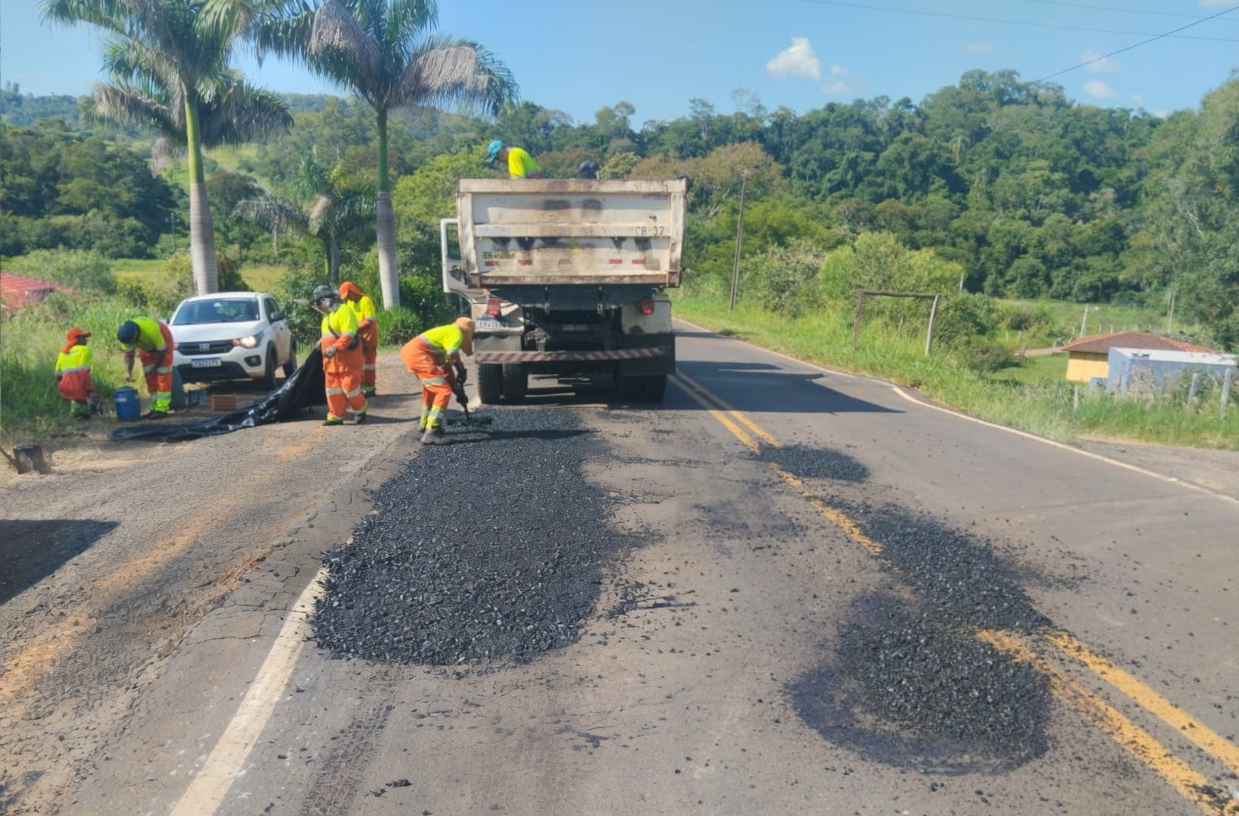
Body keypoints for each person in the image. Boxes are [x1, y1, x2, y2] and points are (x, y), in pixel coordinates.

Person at [400, 317, 474, 445]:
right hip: (418, 355)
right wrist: (461, 368)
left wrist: (458, 391)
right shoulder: (456, 333)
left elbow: (446, 369)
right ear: (467, 332)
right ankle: (432, 431)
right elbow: (453, 356)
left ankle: (423, 425)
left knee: (432, 389)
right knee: (443, 391)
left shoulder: (445, 336)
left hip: (410, 353)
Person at [311, 284, 368, 426]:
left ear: (326, 300)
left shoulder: (344, 311)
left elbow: (348, 333)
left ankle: (360, 409)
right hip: (331, 361)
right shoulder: (328, 316)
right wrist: (321, 342)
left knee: (350, 387)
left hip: (347, 359)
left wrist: (336, 347)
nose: (318, 306)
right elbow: (329, 334)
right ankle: (335, 415)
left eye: (319, 303)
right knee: (332, 389)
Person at [117, 316, 175, 419]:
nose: (131, 344)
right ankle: (154, 408)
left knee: (162, 374)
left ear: (135, 334)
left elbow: (161, 351)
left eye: (132, 341)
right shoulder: (126, 337)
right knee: (149, 376)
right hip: (146, 347)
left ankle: (162, 408)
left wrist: (156, 367)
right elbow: (129, 355)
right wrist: (128, 372)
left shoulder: (150, 330)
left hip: (162, 340)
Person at [339, 281, 379, 397]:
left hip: (368, 338)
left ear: (352, 292)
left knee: (369, 364)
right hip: (357, 339)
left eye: (347, 296)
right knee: (359, 364)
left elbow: (369, 320)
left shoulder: (365, 301)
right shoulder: (350, 304)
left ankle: (370, 388)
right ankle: (361, 386)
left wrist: (354, 328)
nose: (347, 299)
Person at [54, 327, 100, 420]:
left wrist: (69, 381)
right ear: (77, 339)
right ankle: (91, 409)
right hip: (79, 389)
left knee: (75, 398)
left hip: (65, 390)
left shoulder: (62, 353)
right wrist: (91, 390)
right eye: (83, 337)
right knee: (94, 396)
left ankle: (75, 412)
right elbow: (84, 373)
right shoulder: (84, 350)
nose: (86, 340)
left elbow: (57, 375)